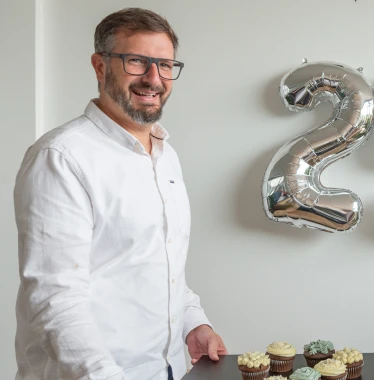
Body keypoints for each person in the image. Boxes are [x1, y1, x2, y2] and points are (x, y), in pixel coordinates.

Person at [14, 8, 226, 380]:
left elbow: (160, 264)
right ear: (100, 66)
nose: (153, 78)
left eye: (164, 64)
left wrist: (193, 323)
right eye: (136, 62)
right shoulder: (61, 157)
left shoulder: (164, 154)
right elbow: (54, 299)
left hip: (169, 369)